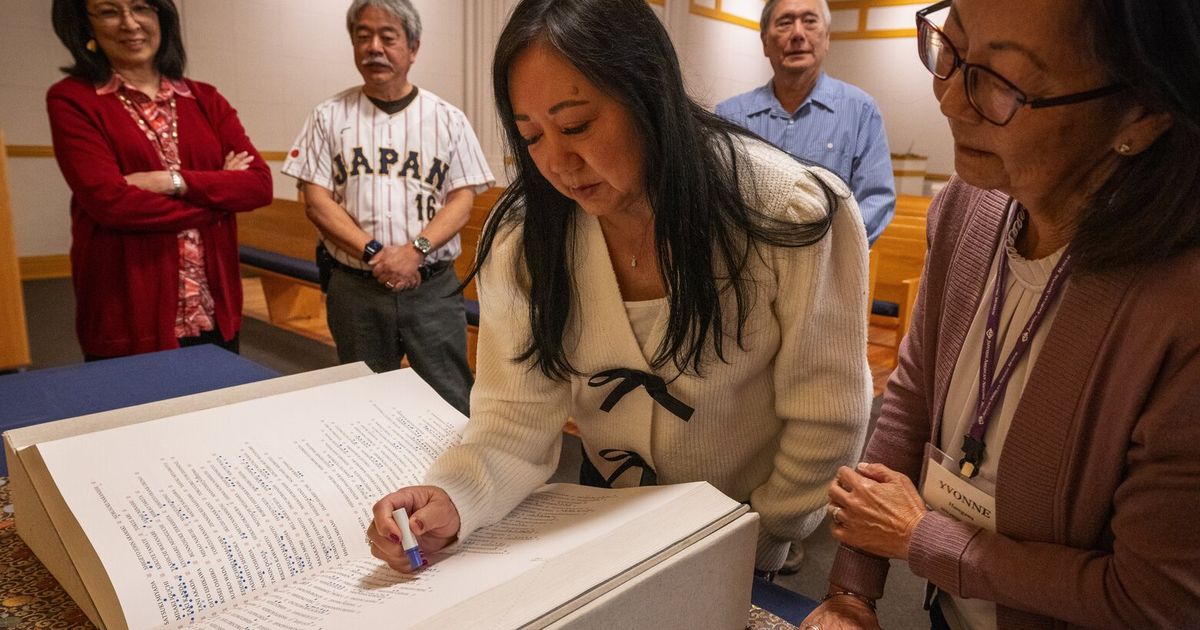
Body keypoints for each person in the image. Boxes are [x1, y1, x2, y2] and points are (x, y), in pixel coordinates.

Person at [364, 0, 872, 578]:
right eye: (531, 136)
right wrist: (453, 497)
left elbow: (825, 416)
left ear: (648, 94)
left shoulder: (786, 212)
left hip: (743, 534)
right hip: (609, 525)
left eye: (576, 125)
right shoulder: (528, 236)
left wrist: (762, 533)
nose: (557, 162)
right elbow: (512, 419)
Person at [802, 0, 1200, 628]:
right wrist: (853, 592)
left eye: (1004, 82)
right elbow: (910, 401)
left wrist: (923, 539)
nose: (951, 100)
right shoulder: (971, 206)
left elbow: (1150, 597)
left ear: (1141, 114)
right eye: (952, 50)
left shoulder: (1178, 306)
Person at [283, 0, 493, 415]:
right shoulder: (327, 116)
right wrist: (377, 253)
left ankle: (457, 482)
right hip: (355, 286)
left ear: (412, 47)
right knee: (362, 401)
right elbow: (317, 201)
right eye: (363, 36)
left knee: (450, 396)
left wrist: (414, 251)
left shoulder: (448, 118)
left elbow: (463, 199)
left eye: (387, 36)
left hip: (431, 287)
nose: (374, 47)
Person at [47, 0, 272, 360]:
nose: (129, 23)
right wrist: (218, 201)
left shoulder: (206, 99)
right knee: (136, 411)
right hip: (128, 308)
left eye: (141, 8)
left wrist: (172, 181)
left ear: (161, 17)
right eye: (108, 11)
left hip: (212, 305)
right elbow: (112, 204)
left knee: (220, 410)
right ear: (84, 25)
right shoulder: (72, 100)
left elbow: (259, 185)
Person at [716, 0, 896, 246]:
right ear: (765, 43)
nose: (798, 33)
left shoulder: (861, 111)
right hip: (751, 269)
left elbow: (876, 200)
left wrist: (821, 252)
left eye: (810, 21)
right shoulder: (729, 116)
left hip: (830, 272)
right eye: (785, 22)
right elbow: (717, 200)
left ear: (827, 38)